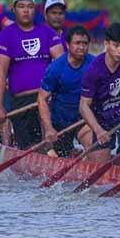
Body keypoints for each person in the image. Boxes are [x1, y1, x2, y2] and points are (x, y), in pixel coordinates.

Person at [0, 0, 64, 149]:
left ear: (35, 9)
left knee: (52, 144)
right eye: (21, 6)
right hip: (21, 102)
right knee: (29, 148)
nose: (26, 10)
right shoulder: (4, 36)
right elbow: (0, 75)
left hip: (46, 98)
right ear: (13, 9)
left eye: (30, 6)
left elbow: (62, 65)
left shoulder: (47, 33)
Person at [79, 22, 120, 162]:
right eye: (116, 46)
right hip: (102, 120)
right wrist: (98, 130)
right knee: (99, 167)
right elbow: (83, 106)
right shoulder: (93, 70)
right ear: (106, 45)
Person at [38, 26, 95, 157]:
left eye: (85, 43)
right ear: (68, 45)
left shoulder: (94, 64)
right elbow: (41, 99)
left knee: (94, 148)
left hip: (82, 119)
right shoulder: (56, 68)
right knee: (57, 156)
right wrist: (48, 128)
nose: (81, 47)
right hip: (59, 123)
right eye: (77, 43)